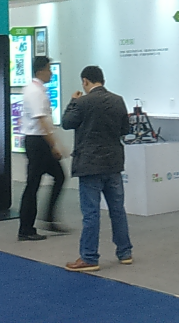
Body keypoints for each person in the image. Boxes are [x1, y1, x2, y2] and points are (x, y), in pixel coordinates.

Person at [61, 66, 132, 272]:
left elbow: (66, 123)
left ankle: (89, 256)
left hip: (89, 164)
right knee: (117, 210)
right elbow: (125, 129)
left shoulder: (82, 102)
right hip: (113, 163)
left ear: (85, 81)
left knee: (91, 213)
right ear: (102, 80)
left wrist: (72, 102)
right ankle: (125, 253)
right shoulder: (118, 100)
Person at [17, 56, 67, 242]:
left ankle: (47, 218)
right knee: (33, 185)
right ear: (40, 71)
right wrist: (54, 144)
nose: (51, 73)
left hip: (38, 141)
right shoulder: (34, 92)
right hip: (37, 142)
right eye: (48, 69)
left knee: (57, 177)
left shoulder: (37, 89)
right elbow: (41, 121)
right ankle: (26, 228)